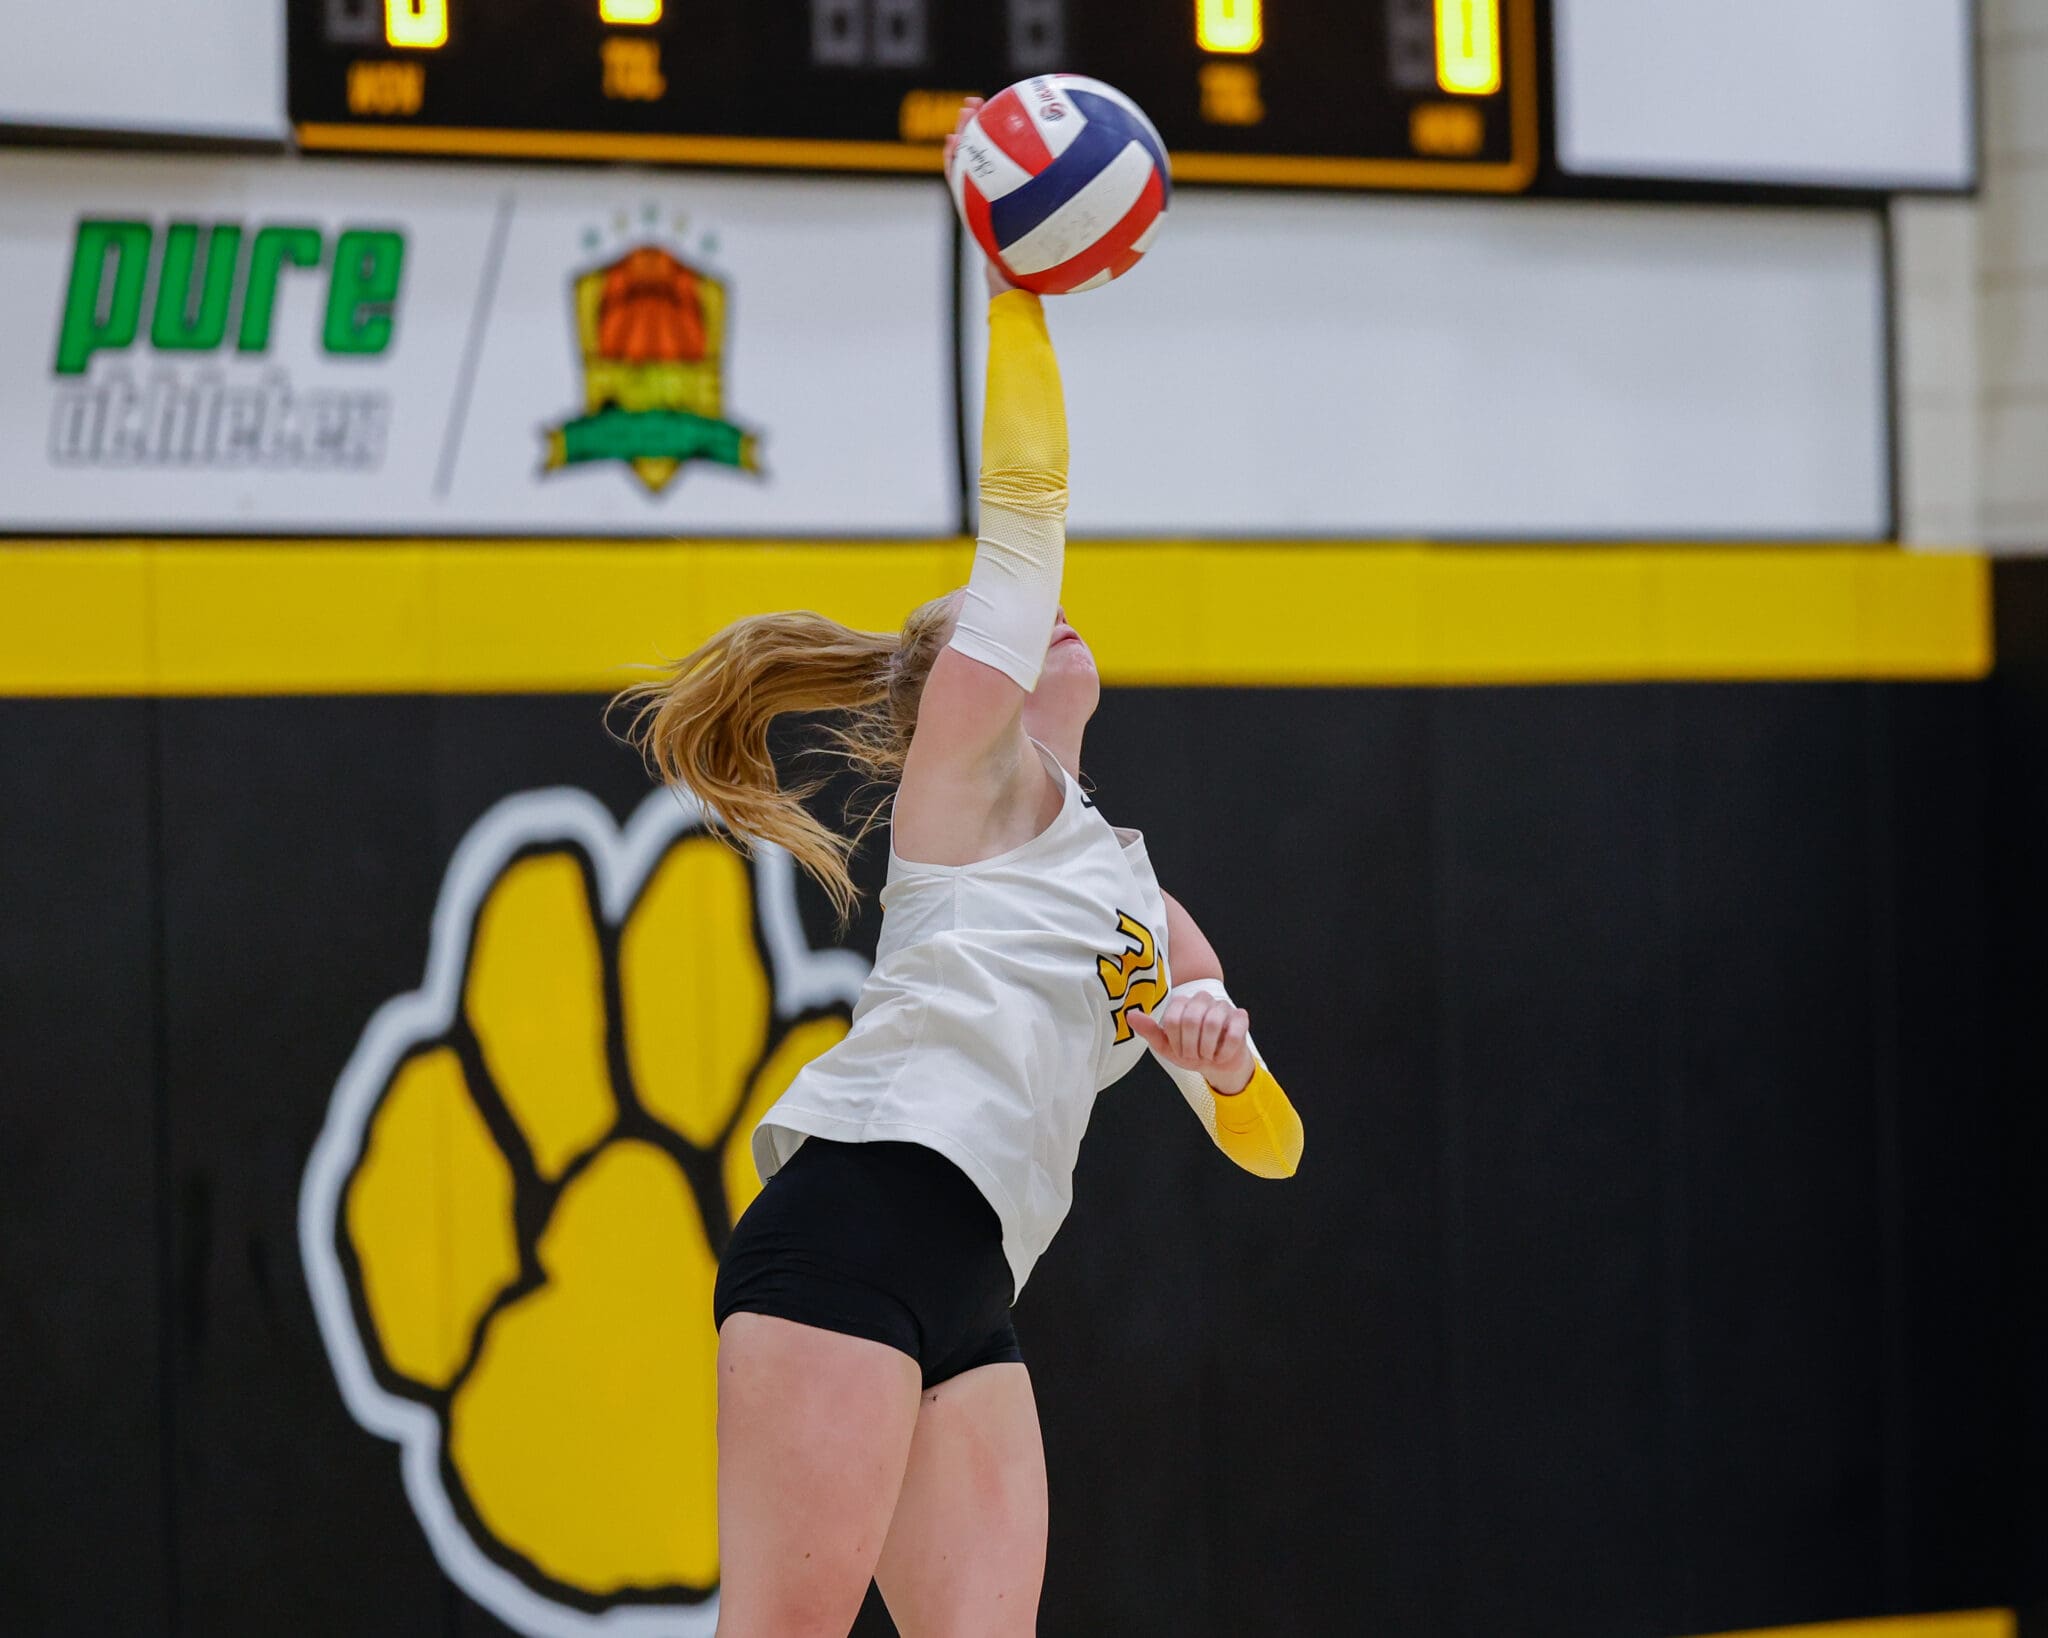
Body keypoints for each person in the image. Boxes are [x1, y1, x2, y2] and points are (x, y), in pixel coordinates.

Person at [622, 100, 1304, 1638]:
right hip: (851, 1226)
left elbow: (1266, 1143)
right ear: (958, 690)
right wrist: (1014, 294)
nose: (1047, 615)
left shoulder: (1137, 900)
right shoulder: (968, 784)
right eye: (1001, 625)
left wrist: (1226, 1058)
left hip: (974, 1282)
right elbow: (1027, 520)